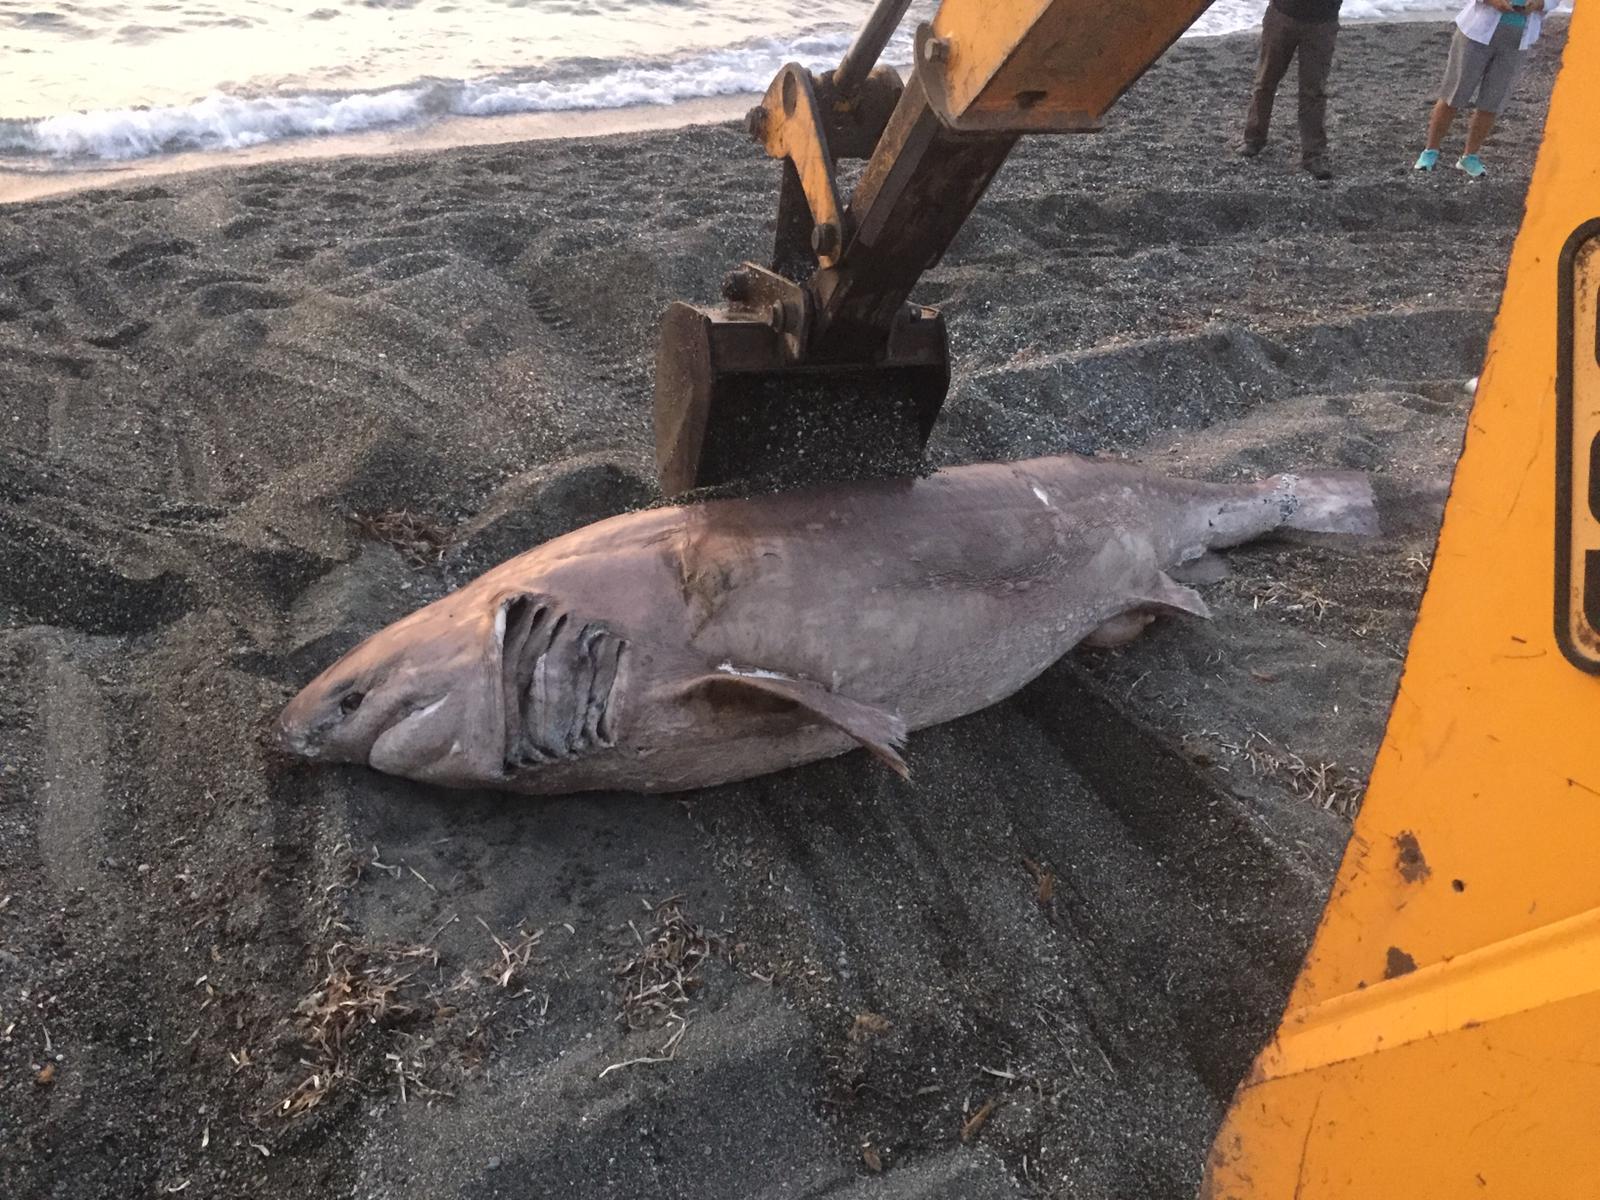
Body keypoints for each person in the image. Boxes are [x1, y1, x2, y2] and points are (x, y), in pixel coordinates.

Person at [1414, 0, 1546, 178]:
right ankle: (1430, 151)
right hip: (1476, 33)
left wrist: (1541, 3)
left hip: (1518, 39)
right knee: (1454, 93)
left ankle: (1470, 156)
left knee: (1493, 101)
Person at [1241, 0, 1344, 180]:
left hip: (1322, 22)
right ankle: (1253, 139)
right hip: (1282, 14)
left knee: (1313, 90)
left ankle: (1313, 154)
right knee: (1265, 80)